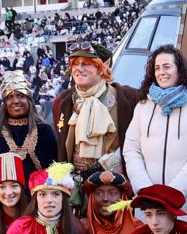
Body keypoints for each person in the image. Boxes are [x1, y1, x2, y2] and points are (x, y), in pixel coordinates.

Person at [123, 44, 187, 229]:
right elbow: (131, 149)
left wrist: (174, 192)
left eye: (167, 66)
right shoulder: (143, 106)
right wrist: (146, 190)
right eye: (157, 68)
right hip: (150, 209)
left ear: (179, 70)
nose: (161, 72)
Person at [53, 42, 139, 177]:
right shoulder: (62, 102)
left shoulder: (129, 99)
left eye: (86, 63)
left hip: (113, 186)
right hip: (75, 187)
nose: (79, 69)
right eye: (75, 63)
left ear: (102, 68)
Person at [0, 70, 57, 200]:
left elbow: (54, 173)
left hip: (38, 203)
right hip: (4, 203)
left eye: (20, 96)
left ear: (28, 99)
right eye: (10, 97)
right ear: (4, 103)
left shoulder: (44, 132)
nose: (15, 101)